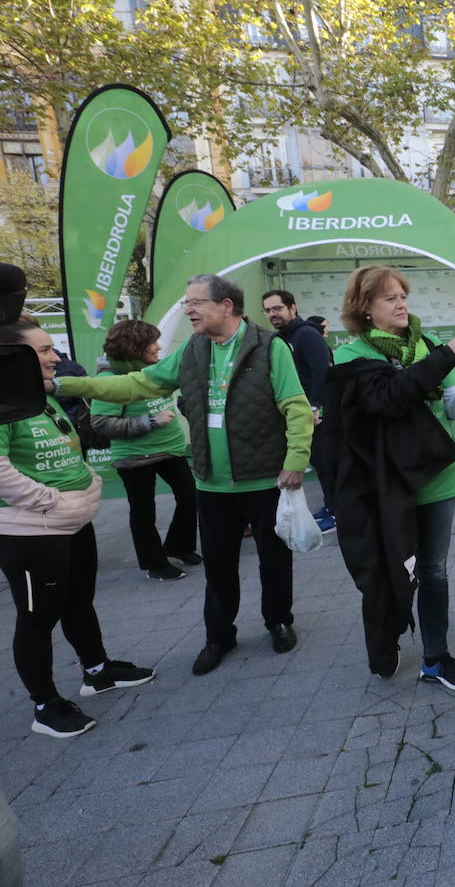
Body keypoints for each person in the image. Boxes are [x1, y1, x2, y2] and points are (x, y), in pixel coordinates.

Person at [54, 274, 314, 676]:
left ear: (225, 306)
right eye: (187, 301)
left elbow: (295, 407)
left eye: (196, 302)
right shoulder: (192, 349)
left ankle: (278, 621)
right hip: (211, 483)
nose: (188, 309)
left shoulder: (269, 347)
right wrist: (67, 384)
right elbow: (140, 383)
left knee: (273, 559)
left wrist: (295, 461)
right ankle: (218, 635)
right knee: (218, 565)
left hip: (265, 478)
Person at [321, 265, 455, 686]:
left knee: (433, 571)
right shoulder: (353, 355)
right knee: (389, 570)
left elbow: (449, 410)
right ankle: (386, 641)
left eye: (403, 296)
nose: (401, 304)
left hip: (436, 478)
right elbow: (388, 399)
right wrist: (445, 356)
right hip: (385, 485)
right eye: (389, 298)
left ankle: (435, 657)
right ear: (365, 308)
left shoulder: (425, 345)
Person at [0, 318, 155, 738]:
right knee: (37, 618)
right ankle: (45, 706)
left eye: (52, 349)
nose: (55, 358)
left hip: (72, 519)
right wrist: (47, 502)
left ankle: (98, 671)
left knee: (79, 600)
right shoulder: (4, 402)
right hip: (33, 530)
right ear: (13, 357)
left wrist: (86, 482)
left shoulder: (40, 397)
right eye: (44, 350)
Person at [89, 320, 200, 581]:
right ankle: (154, 563)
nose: (158, 347)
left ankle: (178, 546)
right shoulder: (109, 379)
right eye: (152, 342)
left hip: (169, 451)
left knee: (190, 496)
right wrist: (149, 421)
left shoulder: (155, 371)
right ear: (134, 346)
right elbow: (102, 423)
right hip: (135, 458)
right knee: (143, 510)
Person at [263, 289, 336, 532]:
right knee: (318, 461)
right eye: (268, 310)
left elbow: (322, 371)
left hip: (316, 415)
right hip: (300, 416)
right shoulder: (283, 338)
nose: (272, 314)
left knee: (326, 463)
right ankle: (331, 506)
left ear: (292, 308)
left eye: (277, 308)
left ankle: (337, 513)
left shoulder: (306, 335)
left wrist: (316, 406)